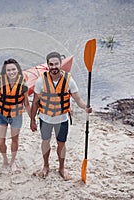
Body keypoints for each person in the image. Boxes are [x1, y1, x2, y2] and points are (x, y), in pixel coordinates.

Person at [30, 52, 92, 180]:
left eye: (56, 64)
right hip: (45, 119)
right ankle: (46, 166)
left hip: (62, 119)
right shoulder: (41, 80)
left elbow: (78, 99)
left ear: (60, 64)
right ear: (47, 65)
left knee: (61, 144)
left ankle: (61, 168)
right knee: (45, 142)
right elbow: (35, 102)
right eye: (51, 64)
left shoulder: (69, 80)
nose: (54, 67)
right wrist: (32, 120)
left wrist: (86, 107)